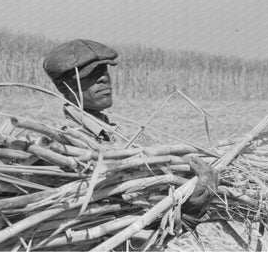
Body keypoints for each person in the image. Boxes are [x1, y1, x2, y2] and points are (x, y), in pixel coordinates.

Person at [43, 39, 218, 229]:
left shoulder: (123, 134)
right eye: (90, 75)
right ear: (64, 88)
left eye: (103, 71)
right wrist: (185, 211)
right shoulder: (66, 145)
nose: (104, 79)